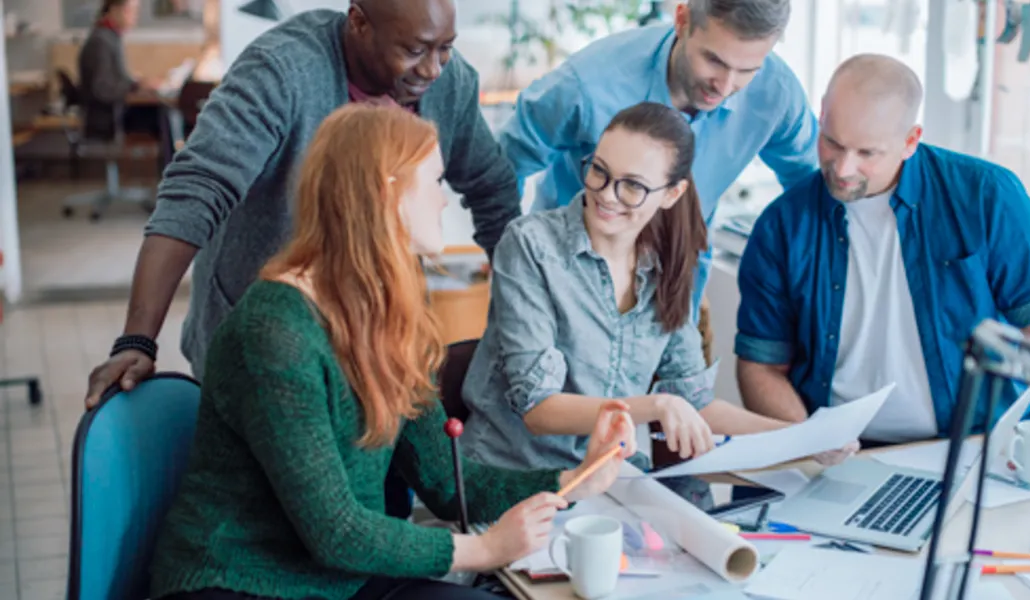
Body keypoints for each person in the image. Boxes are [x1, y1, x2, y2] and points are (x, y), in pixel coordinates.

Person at [148, 104, 637, 600]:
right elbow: (336, 532)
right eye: (435, 182)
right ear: (389, 193)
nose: (445, 202)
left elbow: (447, 482)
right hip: (241, 582)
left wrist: (575, 479)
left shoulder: (387, 308)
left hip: (340, 579)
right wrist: (484, 549)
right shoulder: (275, 332)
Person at [83, 0, 518, 404]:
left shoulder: (449, 81)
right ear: (359, 22)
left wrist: (524, 319)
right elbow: (196, 192)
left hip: (377, 338)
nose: (433, 69)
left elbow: (492, 189)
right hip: (266, 338)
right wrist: (137, 338)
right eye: (415, 49)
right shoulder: (282, 70)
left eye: (445, 48)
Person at [734, 54, 1030, 487]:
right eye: (832, 143)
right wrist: (808, 442)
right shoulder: (781, 225)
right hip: (840, 459)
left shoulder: (986, 197)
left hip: (977, 452)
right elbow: (761, 365)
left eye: (867, 152)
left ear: (911, 140)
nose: (843, 169)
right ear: (821, 119)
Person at [460, 102, 855, 471]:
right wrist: (657, 405)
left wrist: (803, 439)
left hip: (611, 481)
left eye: (633, 186)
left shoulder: (666, 265)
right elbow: (539, 409)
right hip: (511, 478)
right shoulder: (531, 246)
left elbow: (696, 404)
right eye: (599, 170)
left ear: (672, 193)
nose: (607, 195)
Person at [498, 0, 819, 317]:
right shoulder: (588, 83)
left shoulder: (776, 92)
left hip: (675, 295)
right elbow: (504, 165)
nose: (724, 86)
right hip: (562, 286)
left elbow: (811, 183)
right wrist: (511, 264)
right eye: (713, 60)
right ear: (682, 21)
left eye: (747, 70)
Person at [78, 0, 172, 170]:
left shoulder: (110, 37)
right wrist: (133, 89)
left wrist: (138, 84)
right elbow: (102, 89)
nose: (135, 18)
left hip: (116, 108)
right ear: (115, 9)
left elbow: (115, 80)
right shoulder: (101, 41)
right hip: (109, 115)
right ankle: (171, 178)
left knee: (166, 112)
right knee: (166, 116)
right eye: (131, 11)